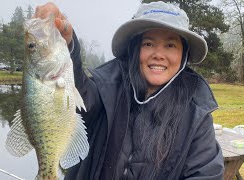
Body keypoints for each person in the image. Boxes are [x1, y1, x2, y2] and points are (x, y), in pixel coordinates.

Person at [33, 1, 224, 179]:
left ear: (183, 55)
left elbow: (206, 173)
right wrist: (66, 45)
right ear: (134, 49)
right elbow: (78, 96)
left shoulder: (196, 114)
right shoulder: (106, 88)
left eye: (170, 45)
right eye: (148, 43)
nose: (158, 54)